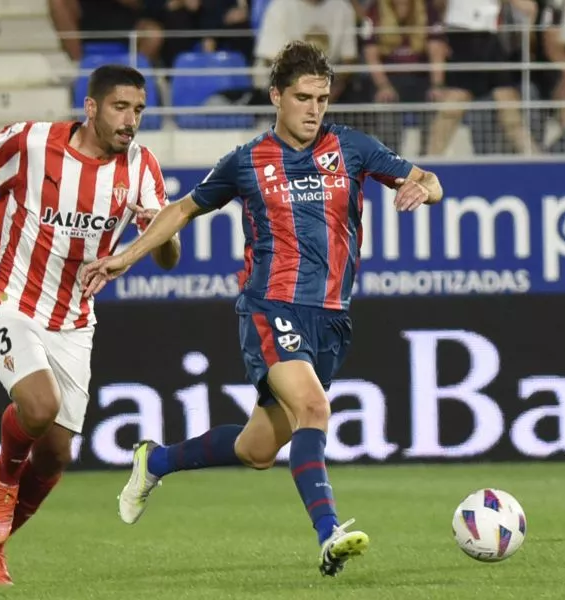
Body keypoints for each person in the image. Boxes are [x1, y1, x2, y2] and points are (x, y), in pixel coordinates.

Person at [79, 40, 443, 577]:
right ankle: (329, 534)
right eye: (302, 97)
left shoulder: (354, 148)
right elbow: (181, 209)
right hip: (270, 305)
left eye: (322, 98)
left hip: (333, 317)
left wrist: (424, 191)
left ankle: (152, 461)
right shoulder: (247, 161)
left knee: (256, 449)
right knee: (314, 410)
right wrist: (125, 257)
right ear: (276, 96)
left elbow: (427, 178)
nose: (314, 109)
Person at [0, 65, 180, 586]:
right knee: (38, 407)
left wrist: (160, 234)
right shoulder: (31, 142)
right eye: (120, 107)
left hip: (72, 319)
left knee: (58, 453)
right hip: (8, 298)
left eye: (138, 110)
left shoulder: (140, 167)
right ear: (90, 107)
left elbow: (168, 257)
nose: (130, 120)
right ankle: (2, 477)